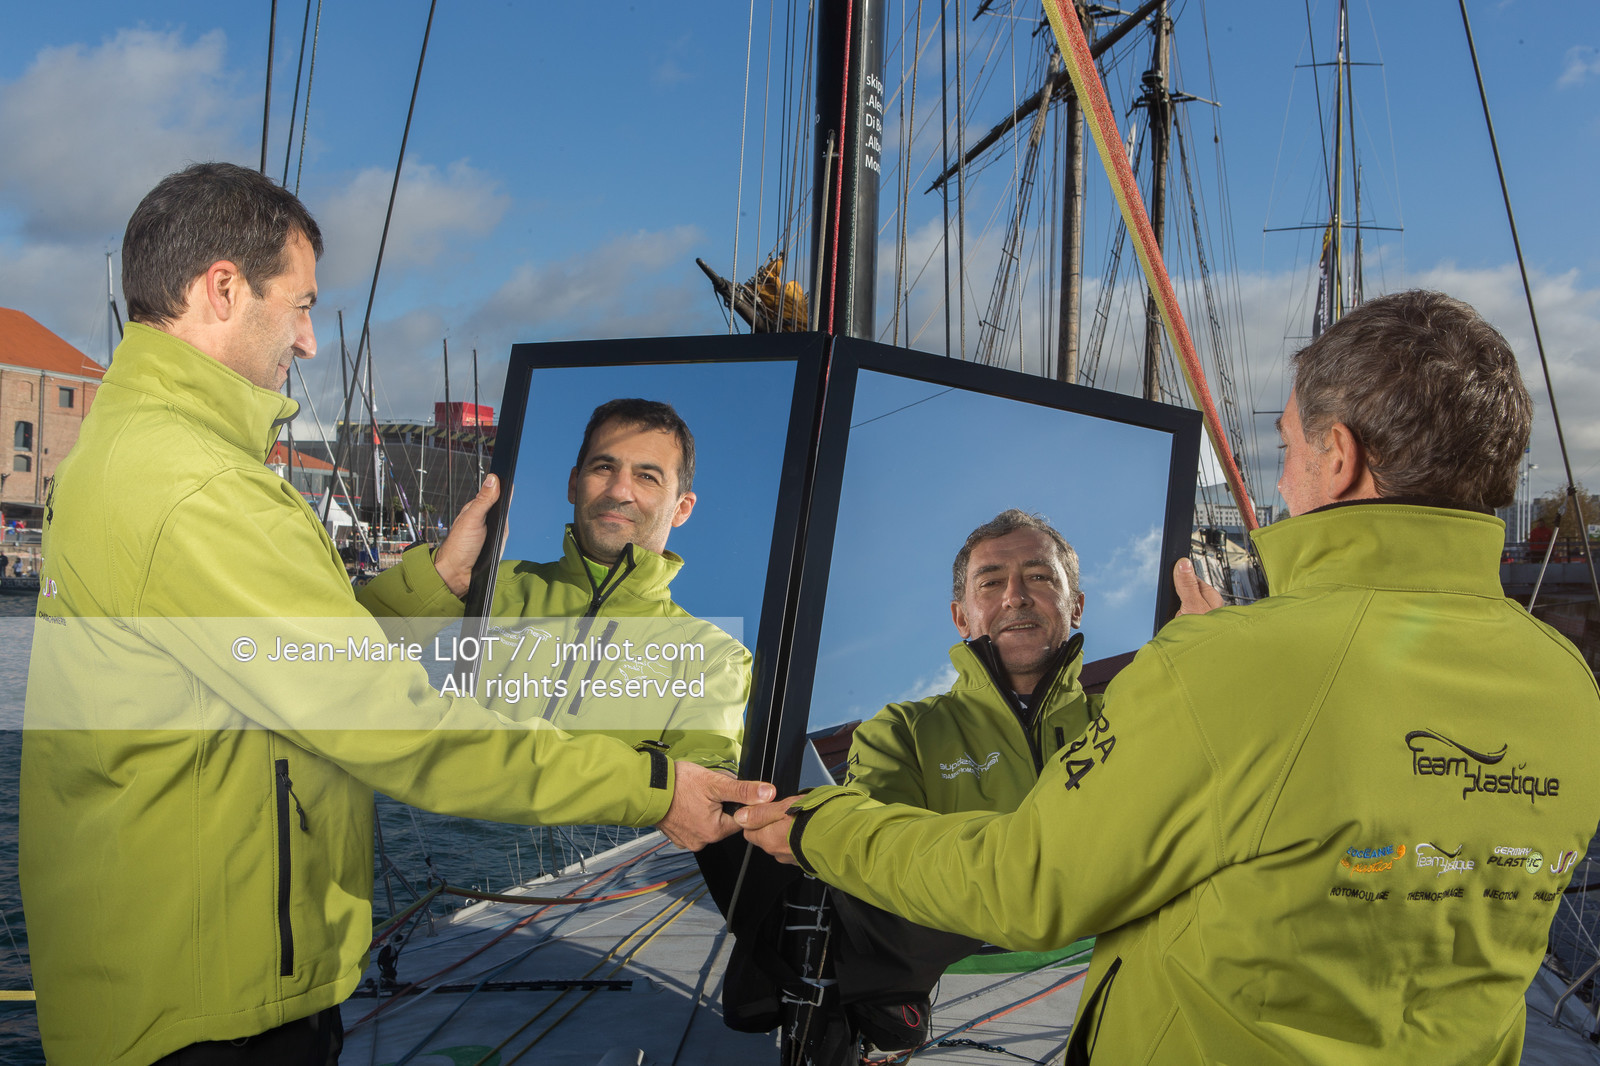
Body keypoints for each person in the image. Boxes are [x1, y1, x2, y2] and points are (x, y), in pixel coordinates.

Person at [20, 162, 771, 1066]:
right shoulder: (203, 488)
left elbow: (277, 664)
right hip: (206, 1002)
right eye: (300, 305)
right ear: (222, 289)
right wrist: (654, 788)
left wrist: (428, 588)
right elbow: (402, 730)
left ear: (681, 504)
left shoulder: (139, 447)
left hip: (173, 965)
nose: (308, 339)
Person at [740, 290, 1600, 1064]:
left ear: (1338, 456)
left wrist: (817, 827)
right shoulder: (1568, 684)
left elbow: (1024, 888)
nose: (1281, 476)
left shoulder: (1225, 666)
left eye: (1286, 446)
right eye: (991, 583)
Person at [823, 509, 1099, 1061]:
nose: (1015, 596)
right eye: (990, 583)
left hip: (1126, 973)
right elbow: (874, 861)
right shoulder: (901, 732)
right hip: (946, 998)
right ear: (961, 616)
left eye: (1039, 576)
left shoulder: (1132, 717)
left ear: (1075, 605)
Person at [362, 398, 750, 773]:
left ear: (682, 508)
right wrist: (447, 574)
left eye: (647, 477)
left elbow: (706, 780)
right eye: (604, 467)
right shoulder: (482, 589)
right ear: (574, 483)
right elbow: (342, 664)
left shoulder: (713, 658)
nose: (619, 491)